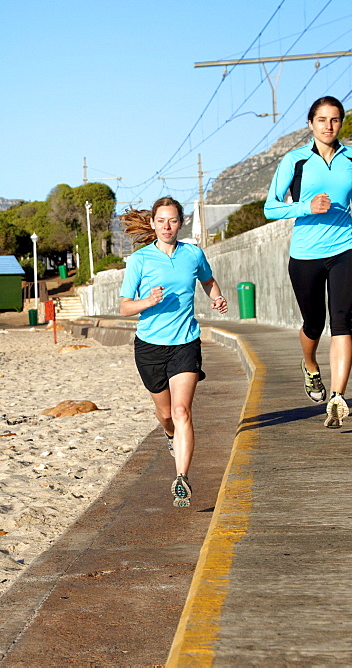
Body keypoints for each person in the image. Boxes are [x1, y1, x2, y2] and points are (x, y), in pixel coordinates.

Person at [265, 95, 352, 429]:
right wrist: (305, 207)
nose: (329, 126)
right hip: (306, 254)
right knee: (314, 324)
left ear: (341, 123)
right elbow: (270, 207)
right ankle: (310, 365)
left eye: (335, 120)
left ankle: (337, 397)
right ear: (310, 124)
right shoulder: (295, 161)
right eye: (322, 120)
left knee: (342, 321)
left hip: (345, 248)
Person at [119, 197, 228, 508]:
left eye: (173, 221)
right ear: (153, 224)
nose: (167, 226)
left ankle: (182, 477)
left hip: (186, 342)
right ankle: (169, 434)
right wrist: (148, 302)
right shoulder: (139, 260)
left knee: (182, 412)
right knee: (166, 415)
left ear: (181, 223)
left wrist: (216, 298)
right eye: (161, 221)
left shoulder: (193, 254)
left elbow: (208, 281)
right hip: (150, 346)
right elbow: (125, 307)